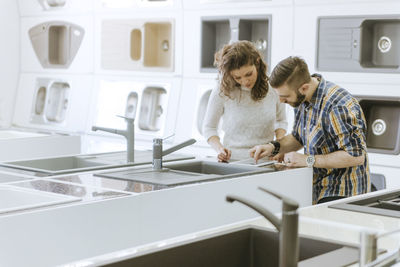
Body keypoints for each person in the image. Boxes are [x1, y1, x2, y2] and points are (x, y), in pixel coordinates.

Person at [250, 56, 370, 204]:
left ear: (304, 88)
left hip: (343, 192)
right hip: (315, 188)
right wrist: (273, 147)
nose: (281, 101)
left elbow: (355, 156)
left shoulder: (338, 106)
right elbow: (298, 137)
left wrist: (307, 160)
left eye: (285, 96)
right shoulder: (301, 99)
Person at [202, 40, 287, 162]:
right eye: (237, 77)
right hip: (232, 162)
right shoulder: (222, 90)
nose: (245, 81)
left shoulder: (272, 88)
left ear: (257, 63)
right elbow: (209, 128)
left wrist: (278, 146)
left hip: (266, 162)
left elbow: (281, 121)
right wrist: (219, 149)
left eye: (249, 74)